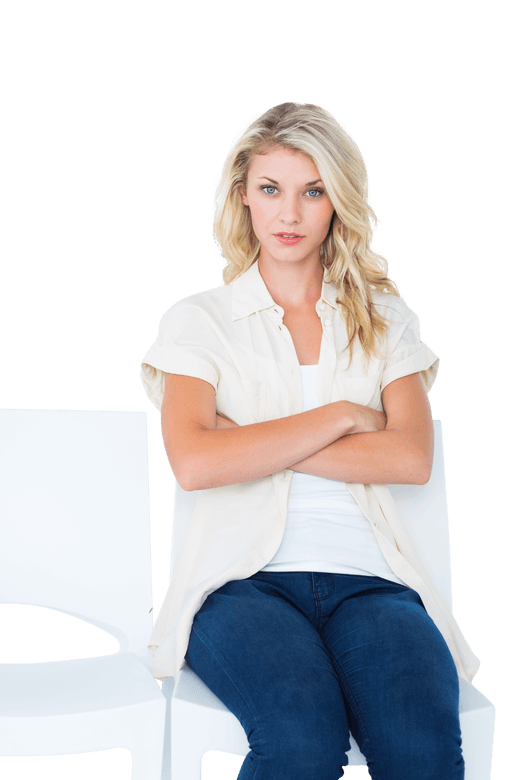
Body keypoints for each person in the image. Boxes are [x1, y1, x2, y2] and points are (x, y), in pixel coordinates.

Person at [139, 102, 479, 778]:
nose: (289, 214)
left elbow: (410, 458)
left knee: (424, 751)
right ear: (245, 198)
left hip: (372, 584)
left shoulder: (386, 320)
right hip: (241, 584)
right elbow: (199, 462)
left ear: (338, 202)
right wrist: (344, 414)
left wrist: (255, 443)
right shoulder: (199, 321)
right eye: (271, 190)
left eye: (312, 191)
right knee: (300, 743)